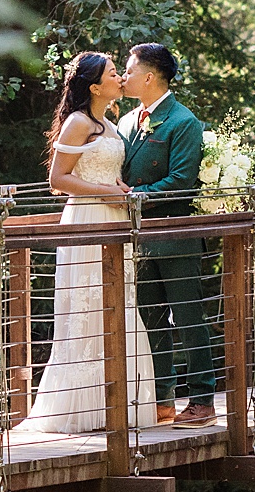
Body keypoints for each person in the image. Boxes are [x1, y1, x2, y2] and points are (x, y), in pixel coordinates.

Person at [20, 52, 157, 434]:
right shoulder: (78, 122)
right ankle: (78, 408)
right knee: (87, 307)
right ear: (95, 87)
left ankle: (116, 407)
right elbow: (57, 179)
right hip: (88, 217)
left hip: (113, 216)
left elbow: (108, 171)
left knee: (118, 303)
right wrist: (104, 193)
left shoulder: (109, 123)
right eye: (114, 74)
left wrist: (120, 191)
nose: (120, 78)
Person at [119, 43, 216, 426]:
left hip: (177, 238)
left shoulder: (183, 121)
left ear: (149, 76)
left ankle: (203, 401)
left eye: (128, 71)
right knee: (151, 321)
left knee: (190, 318)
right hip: (140, 239)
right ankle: (162, 401)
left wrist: (136, 198)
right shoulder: (127, 121)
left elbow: (181, 182)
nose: (123, 78)